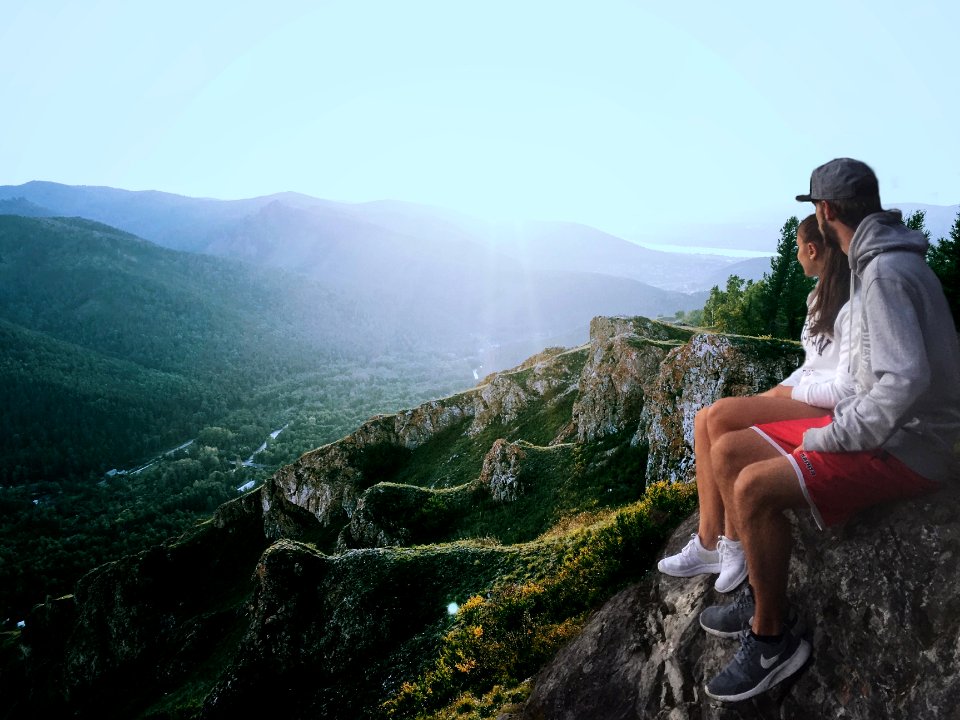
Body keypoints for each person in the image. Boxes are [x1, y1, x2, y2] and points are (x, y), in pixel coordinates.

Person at [699, 158, 960, 703]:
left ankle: (771, 639)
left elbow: (902, 382)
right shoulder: (879, 263)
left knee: (752, 487)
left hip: (908, 445)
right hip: (886, 430)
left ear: (826, 211)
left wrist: (830, 437)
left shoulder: (884, 275)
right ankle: (759, 590)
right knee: (727, 452)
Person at [658, 213, 857, 593]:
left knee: (719, 417)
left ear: (813, 250)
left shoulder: (852, 304)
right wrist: (775, 393)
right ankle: (706, 543)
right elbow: (812, 367)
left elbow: (844, 389)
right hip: (808, 396)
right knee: (704, 419)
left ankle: (734, 545)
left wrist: (787, 395)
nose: (797, 255)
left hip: (831, 408)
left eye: (799, 248)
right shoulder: (820, 297)